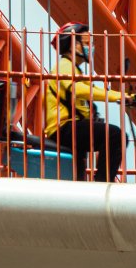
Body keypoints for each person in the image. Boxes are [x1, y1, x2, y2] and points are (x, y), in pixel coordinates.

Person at [44, 23, 127, 182]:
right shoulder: (64, 65)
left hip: (72, 127)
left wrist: (125, 95)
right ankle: (102, 184)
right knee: (115, 135)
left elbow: (91, 91)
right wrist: (119, 97)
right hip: (64, 128)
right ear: (73, 45)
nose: (91, 48)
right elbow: (78, 89)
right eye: (87, 43)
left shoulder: (75, 69)